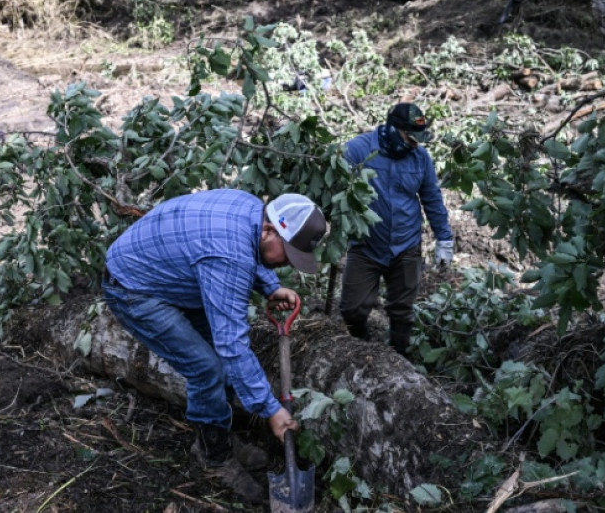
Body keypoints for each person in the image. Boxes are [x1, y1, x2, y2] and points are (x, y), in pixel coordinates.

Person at [101, 189, 327, 504]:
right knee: (207, 367)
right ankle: (214, 457)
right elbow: (231, 344)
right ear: (269, 230)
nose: (288, 261)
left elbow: (252, 252)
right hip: (134, 288)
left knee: (220, 363)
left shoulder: (252, 211)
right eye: (288, 253)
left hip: (175, 275)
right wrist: (270, 409)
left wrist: (270, 286)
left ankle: (219, 434)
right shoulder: (228, 257)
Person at [340, 102, 454, 357]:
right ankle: (362, 346)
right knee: (352, 309)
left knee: (402, 309)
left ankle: (398, 357)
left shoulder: (420, 158)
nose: (415, 143)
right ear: (393, 129)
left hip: (406, 244)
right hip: (366, 244)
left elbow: (431, 198)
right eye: (410, 137)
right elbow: (333, 185)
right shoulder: (358, 150)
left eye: (419, 139)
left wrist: (444, 238)